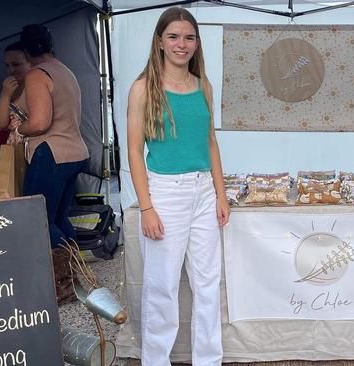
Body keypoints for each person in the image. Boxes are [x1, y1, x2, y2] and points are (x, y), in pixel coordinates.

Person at [126, 7, 229, 366]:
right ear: (159, 42)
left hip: (203, 192)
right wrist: (147, 207)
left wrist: (221, 193)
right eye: (173, 36)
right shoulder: (142, 89)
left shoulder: (204, 86)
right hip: (165, 193)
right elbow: (135, 153)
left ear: (197, 43)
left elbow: (210, 142)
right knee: (162, 286)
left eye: (188, 37)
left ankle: (209, 360)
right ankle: (156, 361)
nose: (181, 44)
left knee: (207, 284)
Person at [10, 24, 89, 303]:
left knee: (39, 220)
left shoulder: (36, 75)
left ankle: (65, 286)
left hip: (51, 153)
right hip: (75, 152)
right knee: (57, 219)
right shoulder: (64, 71)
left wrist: (20, 130)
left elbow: (40, 122)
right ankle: (75, 277)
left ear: (26, 50)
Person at [0, 42, 31, 132]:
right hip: (16, 144)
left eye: (16, 64)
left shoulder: (40, 87)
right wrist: (5, 95)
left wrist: (20, 127)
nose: (11, 70)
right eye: (7, 65)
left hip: (37, 143)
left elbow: (40, 124)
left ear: (31, 63)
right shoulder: (9, 88)